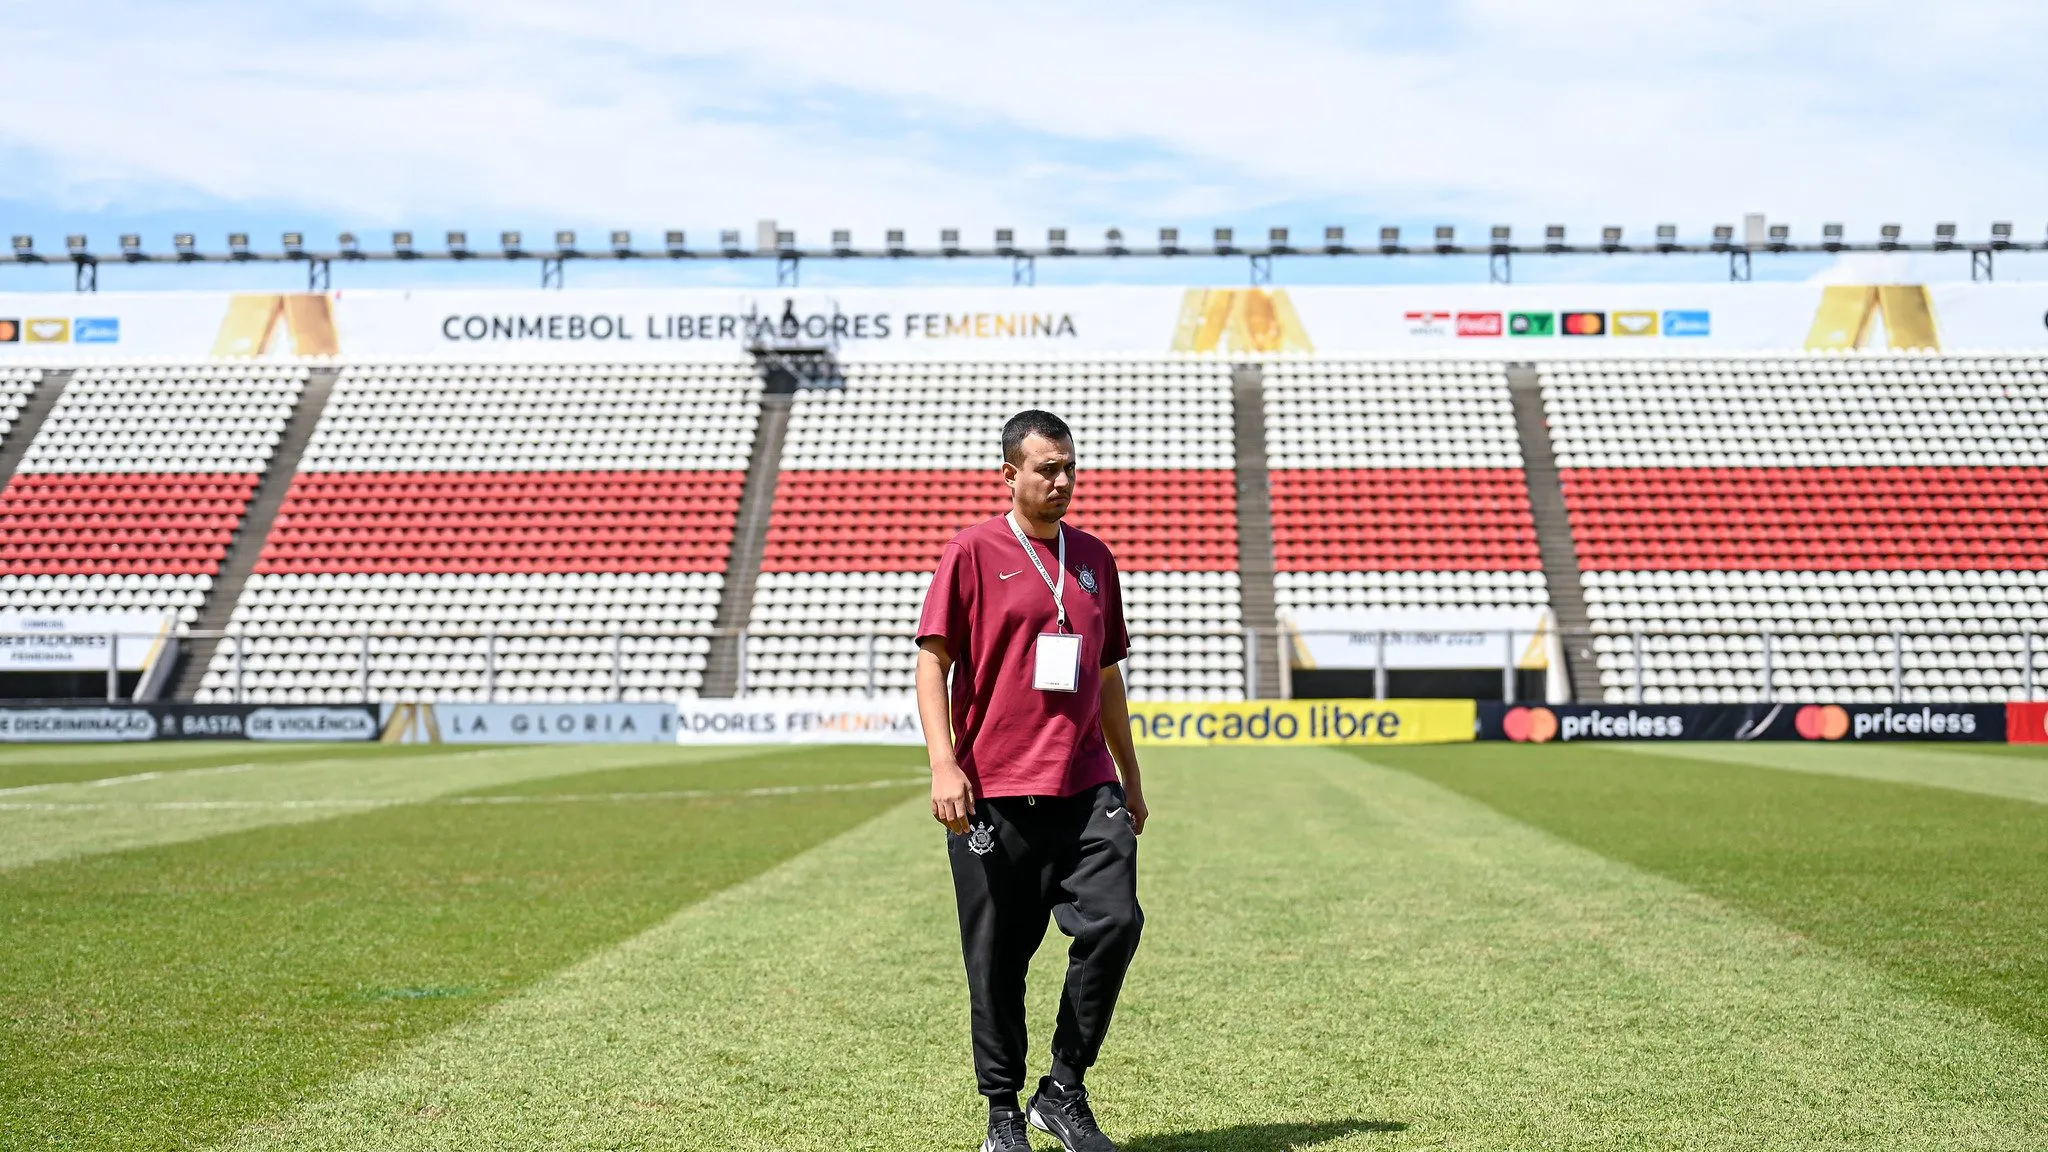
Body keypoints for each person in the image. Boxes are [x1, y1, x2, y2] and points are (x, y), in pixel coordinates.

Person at [916, 409, 1149, 1152]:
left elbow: (1107, 672)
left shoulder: (1093, 558)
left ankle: (1064, 1091)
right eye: (1047, 468)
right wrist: (944, 761)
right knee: (997, 961)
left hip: (1085, 786)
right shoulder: (973, 551)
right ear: (1009, 475)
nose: (1062, 480)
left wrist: (1130, 776)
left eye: (1069, 467)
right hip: (993, 791)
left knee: (1116, 922)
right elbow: (933, 661)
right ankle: (1002, 1113)